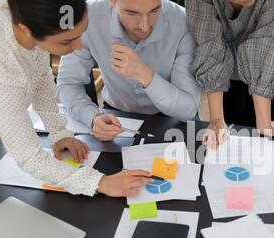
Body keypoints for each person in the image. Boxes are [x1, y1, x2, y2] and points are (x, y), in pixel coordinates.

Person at [0, 0, 153, 197]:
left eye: (81, 32)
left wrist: (59, 132)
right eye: (66, 41)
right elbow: (29, 157)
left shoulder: (32, 16)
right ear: (25, 30)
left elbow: (41, 78)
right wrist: (100, 182)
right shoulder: (1, 71)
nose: (78, 47)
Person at [57, 0, 202, 142]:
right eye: (132, 13)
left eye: (154, 10)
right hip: (115, 115)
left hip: (172, 120)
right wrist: (92, 117)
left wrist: (145, 75)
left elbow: (187, 110)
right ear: (112, 2)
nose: (144, 26)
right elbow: (67, 83)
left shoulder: (183, 22)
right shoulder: (85, 18)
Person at [186, 0, 274, 148]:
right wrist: (217, 119)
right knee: (230, 137)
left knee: (261, 142)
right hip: (224, 69)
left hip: (268, 66)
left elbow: (267, 47)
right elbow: (210, 48)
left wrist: (265, 124)